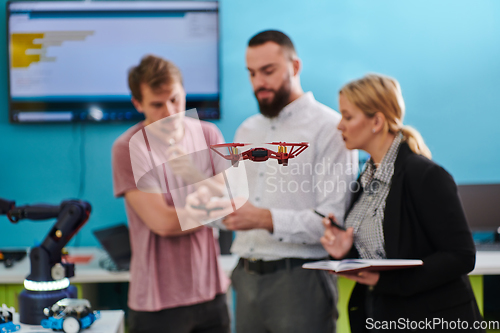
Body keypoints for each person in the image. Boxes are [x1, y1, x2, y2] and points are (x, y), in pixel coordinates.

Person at [321, 74, 484, 332]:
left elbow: (461, 256)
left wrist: (386, 282)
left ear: (376, 121)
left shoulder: (425, 175)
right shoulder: (365, 181)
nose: (339, 125)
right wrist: (345, 250)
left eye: (348, 116)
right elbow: (381, 253)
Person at [223, 30, 358, 333]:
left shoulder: (330, 128)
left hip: (300, 281)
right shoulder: (246, 130)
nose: (259, 82)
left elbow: (331, 221)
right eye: (252, 73)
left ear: (294, 67)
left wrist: (264, 218)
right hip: (244, 279)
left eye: (268, 71)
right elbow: (232, 209)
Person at [111, 54, 230, 333]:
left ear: (185, 93)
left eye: (175, 99)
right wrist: (216, 209)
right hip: (157, 303)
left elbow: (230, 202)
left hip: (212, 292)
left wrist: (193, 176)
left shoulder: (209, 134)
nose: (170, 111)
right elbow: (164, 223)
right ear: (137, 104)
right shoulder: (129, 148)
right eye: (157, 104)